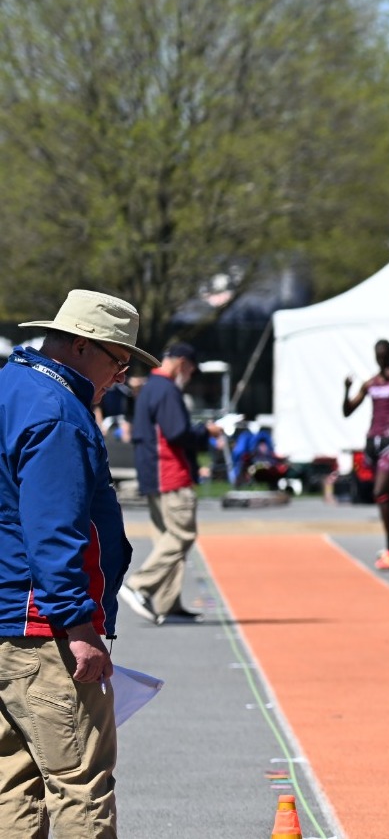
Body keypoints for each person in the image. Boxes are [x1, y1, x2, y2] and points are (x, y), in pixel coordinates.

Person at [1, 289, 148, 835]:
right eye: (119, 360)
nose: (121, 376)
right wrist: (77, 623)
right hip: (43, 628)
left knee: (13, 781)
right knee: (80, 785)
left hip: (9, 618)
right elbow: (53, 528)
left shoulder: (11, 387)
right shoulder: (57, 411)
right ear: (83, 346)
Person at [122, 342, 220, 626]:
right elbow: (177, 432)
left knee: (166, 539)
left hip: (153, 473)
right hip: (170, 472)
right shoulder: (166, 389)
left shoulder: (150, 388)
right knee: (181, 537)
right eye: (190, 369)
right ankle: (140, 585)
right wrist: (206, 432)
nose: (190, 375)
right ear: (181, 363)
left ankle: (168, 604)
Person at [343, 339, 389, 570]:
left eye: (384, 354)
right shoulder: (370, 383)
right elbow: (347, 411)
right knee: (386, 498)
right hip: (374, 440)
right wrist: (346, 389)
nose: (381, 358)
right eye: (378, 354)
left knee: (381, 490)